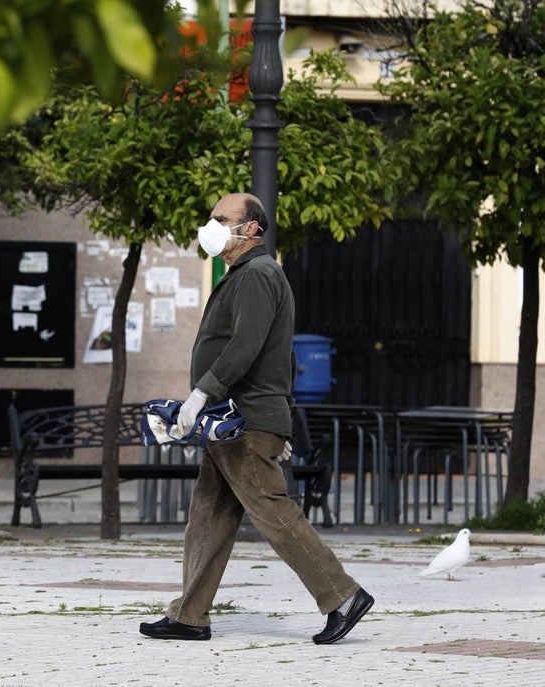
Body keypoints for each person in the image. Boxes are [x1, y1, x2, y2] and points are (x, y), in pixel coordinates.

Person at [139, 192, 373, 645]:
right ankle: (189, 615)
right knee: (208, 514)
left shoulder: (258, 273)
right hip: (234, 419)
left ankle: (342, 596)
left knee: (272, 511)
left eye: (222, 218)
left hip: (241, 420)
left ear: (251, 230)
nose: (211, 225)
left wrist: (201, 394)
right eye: (211, 217)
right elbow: (273, 353)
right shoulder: (246, 274)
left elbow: (244, 347)